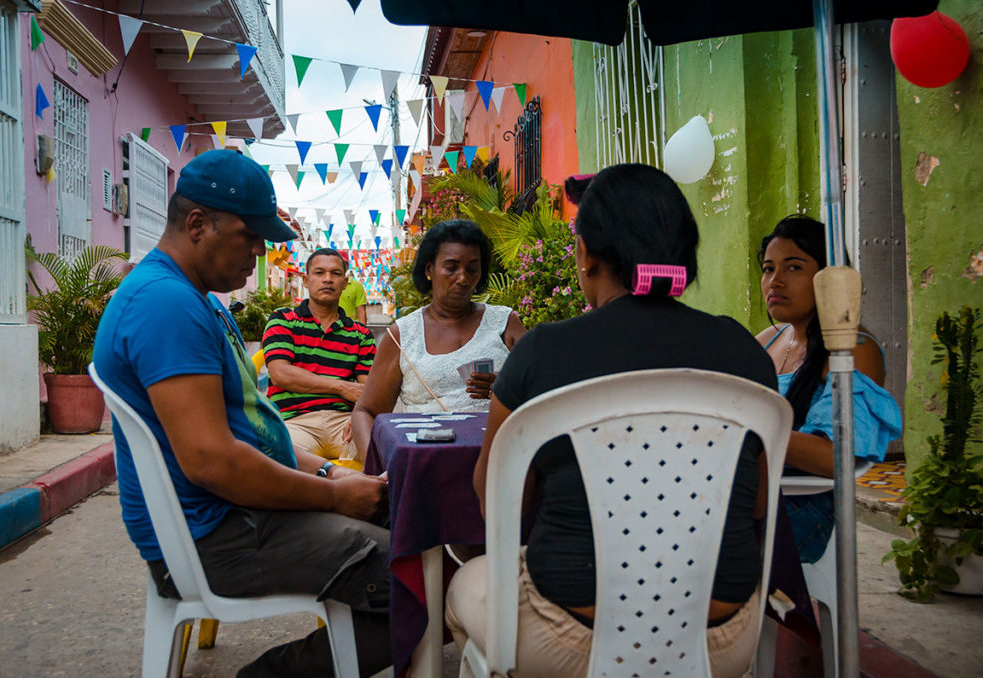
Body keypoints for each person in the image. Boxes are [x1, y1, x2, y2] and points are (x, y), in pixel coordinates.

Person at [445, 164, 778, 678]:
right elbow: (754, 501)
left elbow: (498, 504)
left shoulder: (542, 353)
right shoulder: (746, 352)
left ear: (586, 254)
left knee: (465, 587)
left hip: (571, 638)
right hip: (722, 639)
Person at [92, 149, 391, 678]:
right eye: (249, 235)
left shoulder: (197, 298)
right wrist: (333, 494)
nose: (259, 250)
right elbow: (213, 461)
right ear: (198, 224)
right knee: (421, 575)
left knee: (416, 517)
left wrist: (326, 472)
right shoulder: (166, 305)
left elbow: (250, 432)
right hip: (214, 537)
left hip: (236, 515)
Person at [755, 214, 902, 562]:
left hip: (803, 507)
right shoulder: (766, 342)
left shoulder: (852, 349)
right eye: (767, 268)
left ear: (830, 280)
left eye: (793, 268)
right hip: (757, 492)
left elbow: (835, 456)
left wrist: (746, 429)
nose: (774, 282)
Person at [351, 219, 526, 456]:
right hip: (428, 461)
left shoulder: (505, 324)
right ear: (428, 269)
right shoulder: (403, 334)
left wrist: (506, 389)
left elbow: (543, 390)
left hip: (502, 457)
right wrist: (380, 469)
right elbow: (365, 412)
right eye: (451, 267)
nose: (463, 278)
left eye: (472, 268)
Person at [263, 248, 376, 466]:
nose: (327, 279)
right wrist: (342, 387)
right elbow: (280, 374)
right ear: (306, 280)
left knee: (385, 452)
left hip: (345, 423)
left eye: (335, 273)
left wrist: (362, 415)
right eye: (319, 273)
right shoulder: (283, 320)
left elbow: (368, 389)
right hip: (295, 421)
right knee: (279, 460)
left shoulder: (360, 334)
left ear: (345, 283)